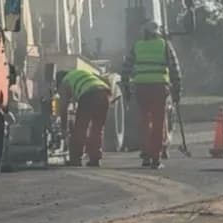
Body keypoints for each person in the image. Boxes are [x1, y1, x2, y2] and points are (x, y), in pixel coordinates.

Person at [123, 21, 182, 169]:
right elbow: (175, 69)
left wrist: (126, 88)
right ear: (158, 33)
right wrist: (177, 90)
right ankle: (156, 158)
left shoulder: (137, 46)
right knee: (158, 123)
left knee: (144, 122)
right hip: (159, 88)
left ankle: (146, 156)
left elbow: (126, 68)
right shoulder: (164, 45)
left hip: (141, 87)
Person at [56, 67, 112, 167]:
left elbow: (63, 107)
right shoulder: (82, 72)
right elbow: (104, 80)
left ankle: (75, 159)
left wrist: (64, 128)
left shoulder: (65, 81)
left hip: (89, 95)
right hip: (105, 93)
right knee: (97, 128)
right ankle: (95, 159)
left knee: (80, 128)